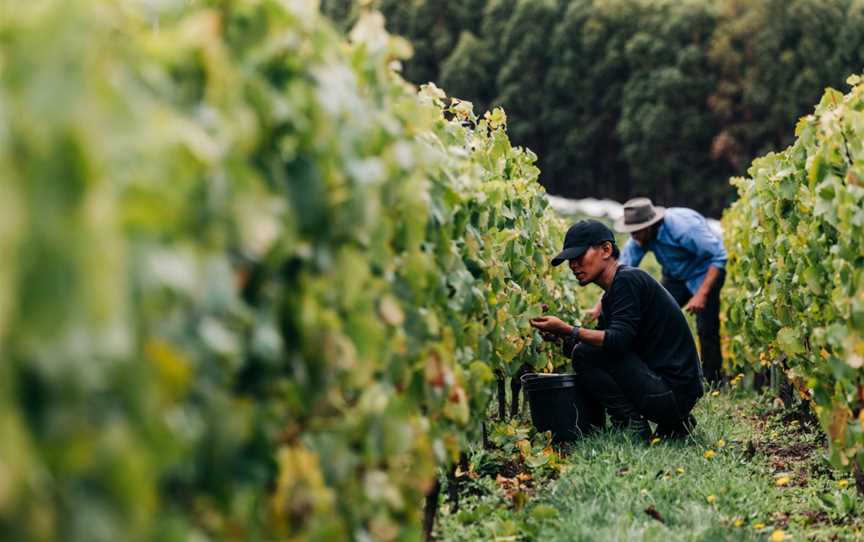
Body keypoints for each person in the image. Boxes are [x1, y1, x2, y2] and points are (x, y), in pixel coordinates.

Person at [530, 219, 704, 441]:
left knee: (584, 354)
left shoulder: (627, 281)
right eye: (569, 260)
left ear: (606, 250)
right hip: (674, 392)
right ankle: (675, 422)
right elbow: (605, 347)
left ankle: (631, 425)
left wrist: (567, 329)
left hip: (672, 393)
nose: (573, 265)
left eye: (579, 256)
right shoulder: (615, 290)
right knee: (586, 351)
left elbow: (617, 341)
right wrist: (560, 337)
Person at [584, 198, 727, 384]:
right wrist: (598, 307)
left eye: (637, 231)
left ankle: (713, 380)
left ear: (650, 225)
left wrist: (701, 294)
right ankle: (658, 371)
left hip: (706, 271)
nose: (633, 236)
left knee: (706, 328)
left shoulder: (683, 229)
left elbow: (718, 256)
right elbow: (615, 273)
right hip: (675, 275)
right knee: (653, 314)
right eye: (631, 232)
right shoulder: (639, 238)